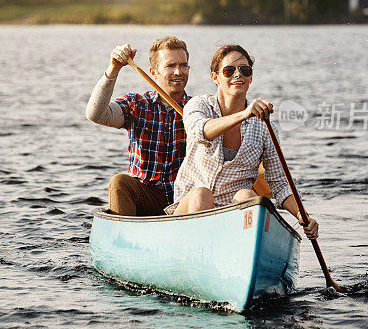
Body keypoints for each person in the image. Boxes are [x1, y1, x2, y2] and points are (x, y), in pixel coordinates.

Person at [166, 44, 319, 240]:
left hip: (231, 216)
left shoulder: (264, 126)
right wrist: (244, 115)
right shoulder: (198, 105)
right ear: (215, 77)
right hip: (189, 211)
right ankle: (194, 252)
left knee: (248, 198)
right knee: (202, 195)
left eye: (244, 70)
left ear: (251, 77)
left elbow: (280, 185)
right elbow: (200, 132)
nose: (237, 75)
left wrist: (303, 217)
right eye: (229, 71)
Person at [86, 36, 190, 216]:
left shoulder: (199, 108)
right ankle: (124, 236)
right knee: (119, 182)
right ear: (154, 72)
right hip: (145, 196)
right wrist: (113, 69)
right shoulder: (138, 104)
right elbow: (96, 114)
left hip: (185, 198)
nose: (178, 72)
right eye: (170, 66)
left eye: (183, 65)